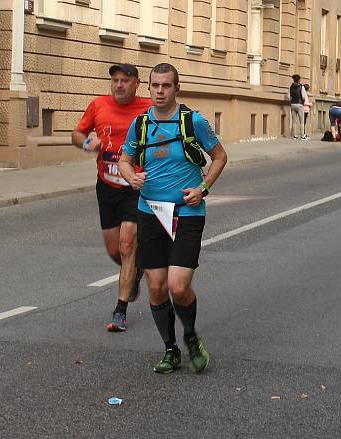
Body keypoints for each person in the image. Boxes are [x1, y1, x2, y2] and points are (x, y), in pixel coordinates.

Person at [119, 63, 227, 374]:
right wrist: (131, 177)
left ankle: (191, 336)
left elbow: (220, 156)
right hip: (150, 212)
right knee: (156, 287)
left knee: (178, 287)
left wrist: (203, 187)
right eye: (155, 86)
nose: (160, 91)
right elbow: (125, 161)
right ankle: (170, 349)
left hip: (187, 212)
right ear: (148, 88)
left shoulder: (194, 122)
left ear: (176, 88)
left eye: (166, 86)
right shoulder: (140, 125)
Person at [72, 63, 152, 332]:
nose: (119, 85)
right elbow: (77, 133)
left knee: (128, 245)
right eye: (115, 80)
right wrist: (86, 143)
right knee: (114, 250)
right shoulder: (98, 105)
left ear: (137, 83)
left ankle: (120, 311)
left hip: (136, 187)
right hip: (106, 186)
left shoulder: (149, 108)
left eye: (125, 81)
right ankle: (136, 272)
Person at [287, 74, 309, 139]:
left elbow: (288, 96)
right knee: (301, 121)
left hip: (293, 104)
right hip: (300, 104)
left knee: (294, 121)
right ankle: (302, 135)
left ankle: (294, 135)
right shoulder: (301, 87)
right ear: (299, 80)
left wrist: (291, 100)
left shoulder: (290, 87)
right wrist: (303, 101)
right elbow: (304, 96)